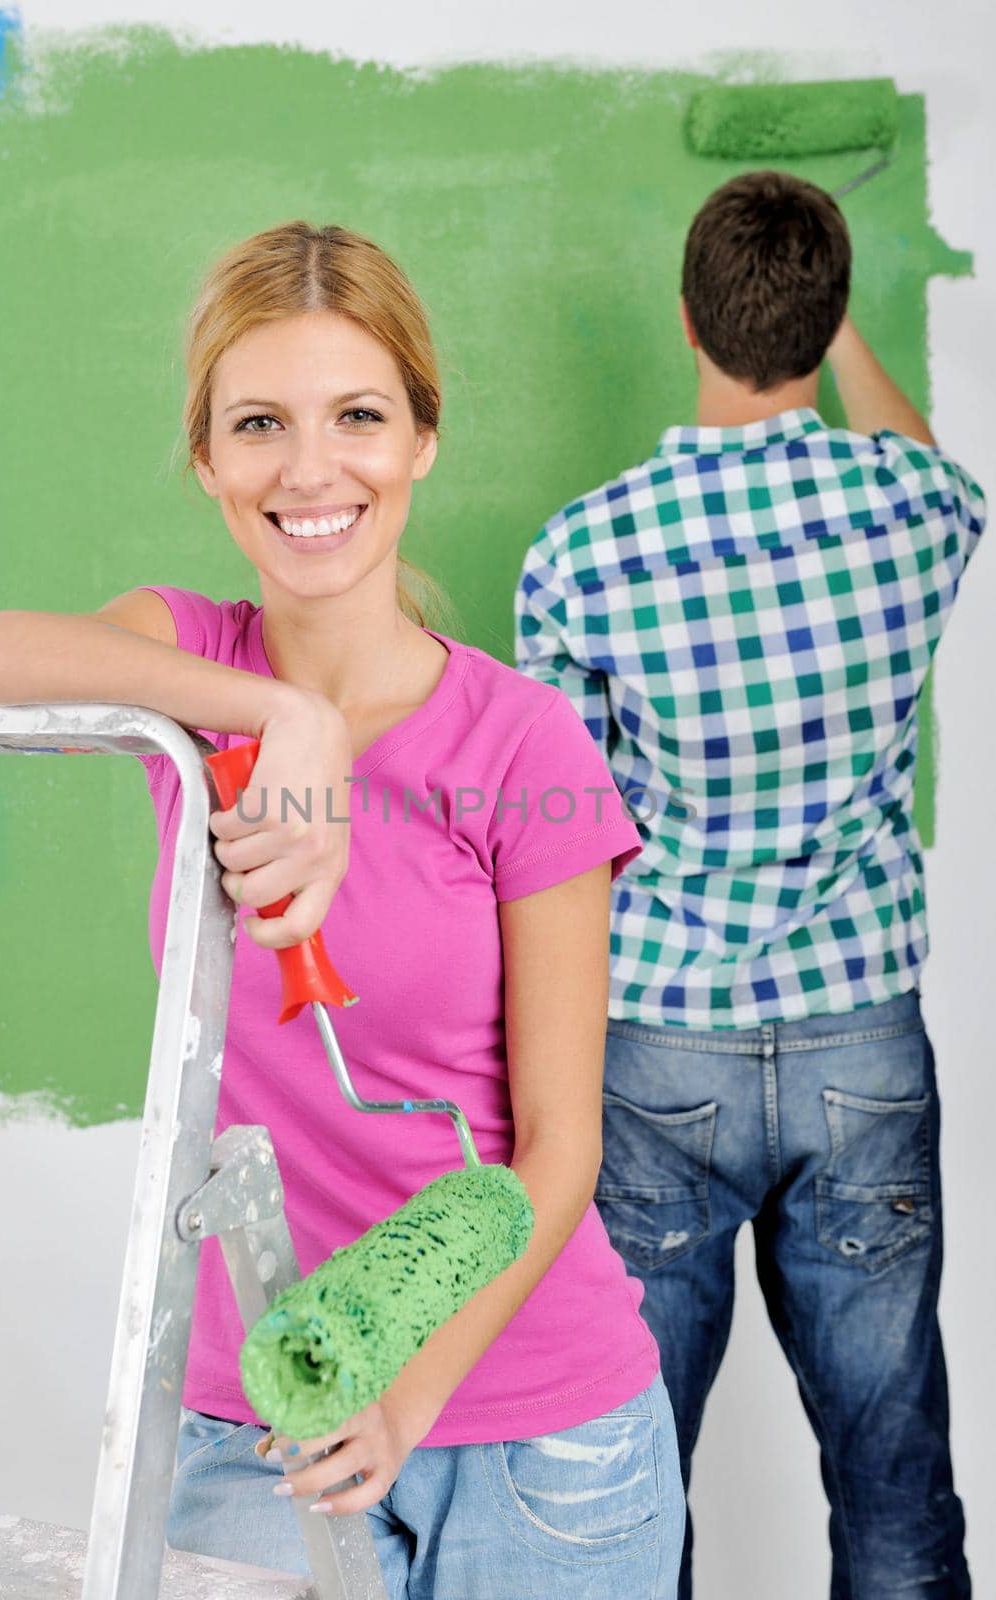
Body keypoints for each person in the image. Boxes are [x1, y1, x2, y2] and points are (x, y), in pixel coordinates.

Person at [0, 220, 685, 1599]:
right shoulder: (182, 659)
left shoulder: (525, 749)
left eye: (357, 416)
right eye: (260, 423)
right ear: (210, 460)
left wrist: (407, 1398)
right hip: (265, 1413)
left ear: (420, 441)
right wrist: (285, 715)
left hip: (537, 1432)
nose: (310, 467)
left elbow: (565, 1147)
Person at [514, 171, 984, 1600]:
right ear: (831, 322)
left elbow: (560, 837)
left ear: (684, 321)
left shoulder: (585, 554)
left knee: (627, 1467)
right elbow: (922, 454)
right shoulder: (915, 510)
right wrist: (837, 336)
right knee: (892, 1467)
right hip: (862, 1042)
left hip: (657, 1048)